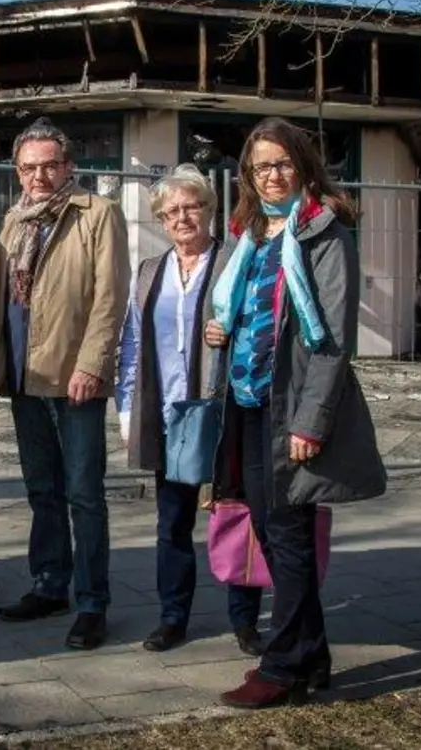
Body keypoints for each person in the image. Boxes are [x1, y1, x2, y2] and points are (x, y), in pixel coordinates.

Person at [203, 117, 387, 708]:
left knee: (290, 535)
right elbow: (230, 308)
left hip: (292, 412)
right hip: (248, 403)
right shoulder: (246, 235)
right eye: (261, 167)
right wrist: (217, 328)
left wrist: (311, 422)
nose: (272, 176)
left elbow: (331, 340)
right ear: (248, 177)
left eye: (282, 163)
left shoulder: (325, 234)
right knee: (273, 531)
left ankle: (281, 666)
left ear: (303, 165)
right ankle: (313, 653)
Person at [114, 164, 266, 655]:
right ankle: (172, 616)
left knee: (236, 516)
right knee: (172, 523)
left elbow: (264, 328)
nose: (182, 217)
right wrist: (126, 407)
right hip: (170, 416)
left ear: (209, 210)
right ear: (161, 220)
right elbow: (133, 342)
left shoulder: (234, 262)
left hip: (226, 414)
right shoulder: (149, 272)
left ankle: (245, 621)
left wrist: (233, 332)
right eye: (171, 211)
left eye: (192, 207)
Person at [0, 117, 131, 650]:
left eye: (50, 165)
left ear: (69, 166)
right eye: (30, 167)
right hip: (26, 378)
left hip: (74, 378)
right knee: (41, 491)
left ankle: (92, 602)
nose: (40, 176)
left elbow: (109, 296)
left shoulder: (97, 214)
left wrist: (93, 365)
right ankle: (50, 584)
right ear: (18, 171)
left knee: (83, 494)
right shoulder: (14, 220)